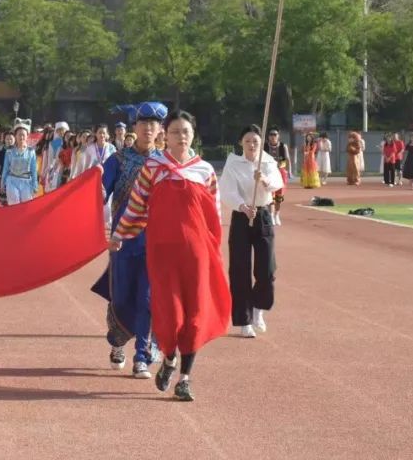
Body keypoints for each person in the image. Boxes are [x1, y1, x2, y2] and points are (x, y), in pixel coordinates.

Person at [110, 110, 228, 402]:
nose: (181, 137)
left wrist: (214, 250)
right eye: (175, 132)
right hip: (162, 252)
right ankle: (169, 357)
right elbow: (137, 206)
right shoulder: (153, 167)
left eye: (186, 131)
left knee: (195, 312)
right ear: (166, 135)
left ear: (193, 134)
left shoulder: (205, 171)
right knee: (169, 312)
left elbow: (214, 216)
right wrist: (120, 234)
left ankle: (185, 379)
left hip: (197, 254)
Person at [91, 101, 167, 380]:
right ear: (135, 127)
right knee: (121, 297)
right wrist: (96, 188)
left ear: (160, 129)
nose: (148, 128)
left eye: (153, 124)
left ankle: (142, 356)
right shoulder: (119, 160)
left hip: (154, 242)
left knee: (147, 298)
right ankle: (118, 341)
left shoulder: (164, 163)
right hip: (122, 242)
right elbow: (100, 193)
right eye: (143, 123)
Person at [219, 124, 283, 339]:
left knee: (267, 269)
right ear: (241, 143)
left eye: (255, 141)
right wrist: (243, 207)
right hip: (242, 217)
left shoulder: (268, 162)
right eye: (247, 141)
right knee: (239, 269)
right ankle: (244, 320)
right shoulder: (233, 163)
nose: (252, 145)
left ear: (261, 142)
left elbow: (277, 183)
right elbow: (227, 191)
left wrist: (264, 180)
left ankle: (258, 308)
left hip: (263, 215)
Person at [1, 121, 38, 205]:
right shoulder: (9, 151)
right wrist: (2, 183)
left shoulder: (31, 151)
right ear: (15, 136)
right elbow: (5, 168)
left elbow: (34, 170)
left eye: (23, 135)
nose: (21, 137)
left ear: (27, 136)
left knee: (26, 206)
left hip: (26, 182)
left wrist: (35, 185)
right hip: (12, 181)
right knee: (14, 205)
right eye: (19, 135)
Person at [264, 128, 290, 225]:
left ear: (278, 136)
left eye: (275, 134)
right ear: (268, 136)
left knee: (279, 195)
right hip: (269, 172)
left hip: (280, 172)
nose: (273, 136)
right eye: (271, 134)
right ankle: (270, 215)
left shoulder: (283, 146)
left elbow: (287, 159)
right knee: (271, 195)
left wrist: (289, 171)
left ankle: (276, 214)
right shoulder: (265, 146)